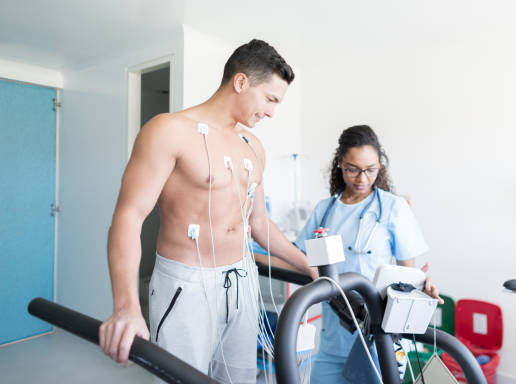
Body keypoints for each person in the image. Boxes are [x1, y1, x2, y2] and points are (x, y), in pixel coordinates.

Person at [98, 39, 313, 383]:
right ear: (241, 82)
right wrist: (126, 307)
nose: (272, 112)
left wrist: (307, 264)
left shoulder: (253, 146)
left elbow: (258, 222)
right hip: (186, 284)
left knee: (239, 378)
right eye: (270, 99)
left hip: (242, 279)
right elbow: (128, 217)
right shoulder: (168, 131)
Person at [295, 125, 442, 383]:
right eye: (353, 169)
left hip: (377, 339)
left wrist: (422, 285)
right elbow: (301, 258)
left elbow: (409, 274)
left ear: (380, 166)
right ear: (339, 163)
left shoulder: (393, 208)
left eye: (370, 170)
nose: (362, 178)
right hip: (333, 338)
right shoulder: (325, 210)